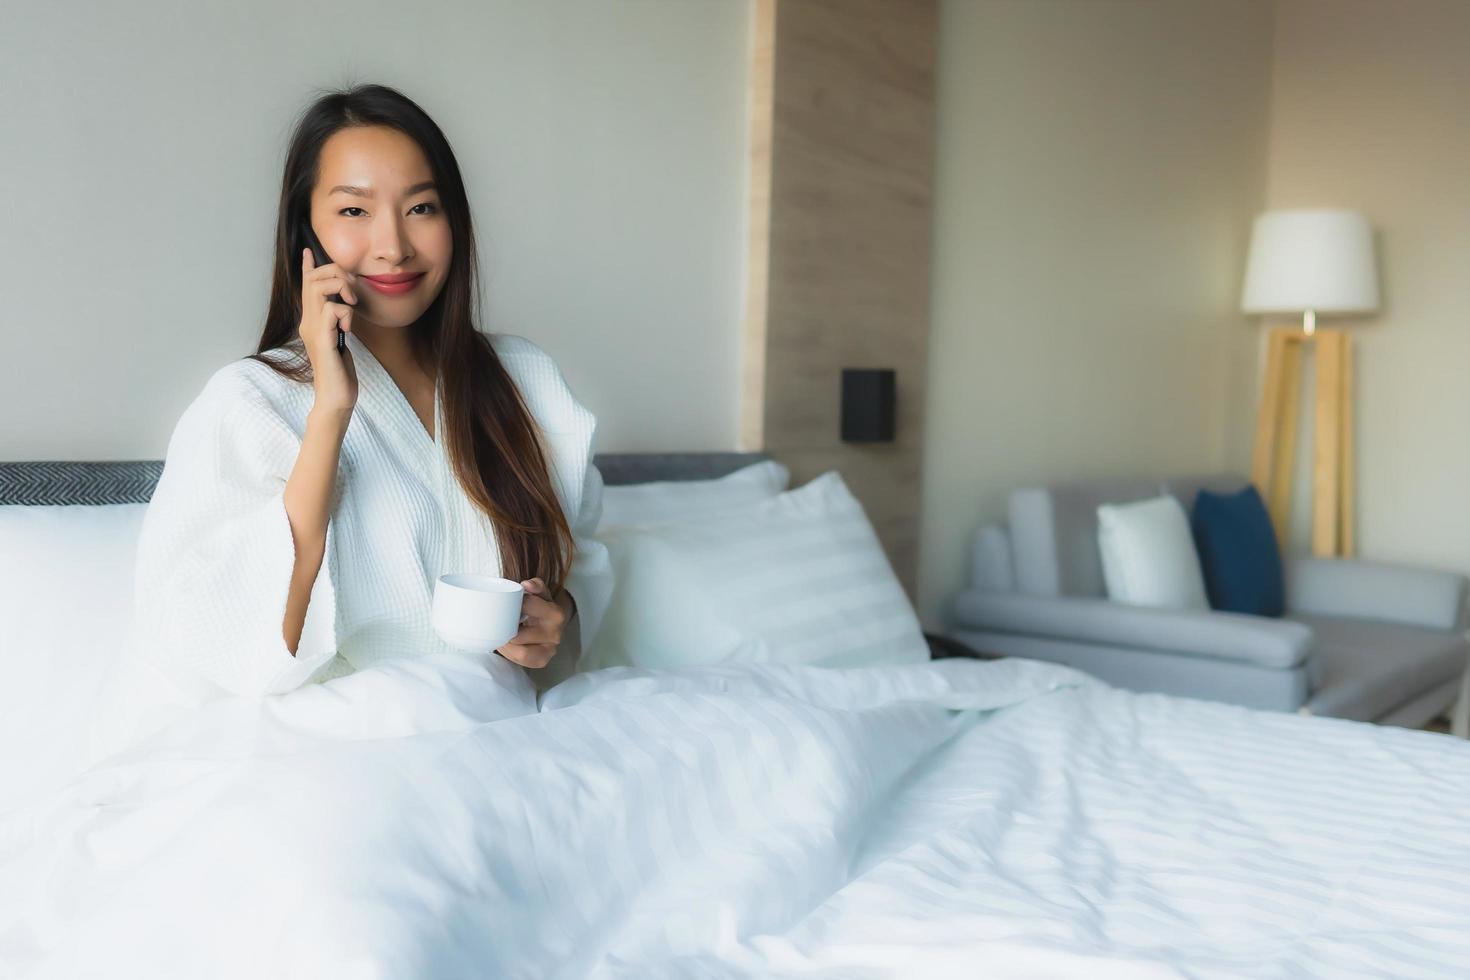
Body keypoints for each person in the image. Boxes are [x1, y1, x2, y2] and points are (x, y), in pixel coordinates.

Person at [88, 83, 613, 761]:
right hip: (330, 757)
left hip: (500, 746)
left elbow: (582, 569)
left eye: (421, 207)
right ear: (309, 232)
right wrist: (331, 409)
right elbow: (223, 632)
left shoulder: (526, 382)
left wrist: (555, 620)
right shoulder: (249, 402)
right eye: (354, 211)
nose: (393, 245)